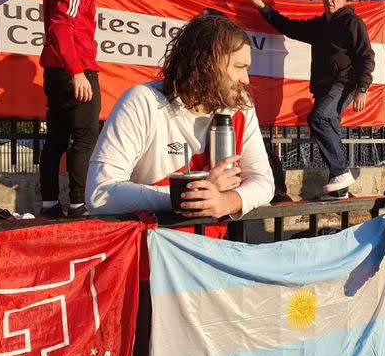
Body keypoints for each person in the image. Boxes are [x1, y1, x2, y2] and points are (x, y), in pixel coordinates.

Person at [86, 12, 274, 218]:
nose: (245, 79)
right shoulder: (143, 101)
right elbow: (100, 193)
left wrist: (227, 201)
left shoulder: (241, 106)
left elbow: (263, 181)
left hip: (212, 246)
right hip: (153, 244)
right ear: (206, 64)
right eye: (239, 67)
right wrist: (190, 194)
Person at [242, 0, 375, 198]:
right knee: (329, 126)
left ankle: (341, 172)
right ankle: (339, 189)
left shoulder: (352, 22)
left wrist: (363, 88)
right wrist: (262, 7)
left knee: (319, 118)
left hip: (343, 84)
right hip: (323, 88)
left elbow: (366, 56)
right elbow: (290, 27)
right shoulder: (320, 25)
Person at [39, 0, 120, 218]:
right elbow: (60, 26)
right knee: (85, 138)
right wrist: (77, 72)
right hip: (75, 70)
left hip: (56, 70)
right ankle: (78, 206)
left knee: (56, 140)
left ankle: (49, 205)